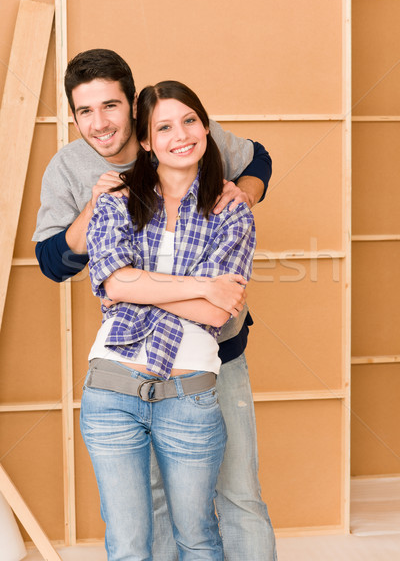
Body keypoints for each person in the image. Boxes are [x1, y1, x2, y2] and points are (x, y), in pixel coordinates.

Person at [32, 49, 277, 561]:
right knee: (153, 507)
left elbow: (258, 159)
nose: (100, 123)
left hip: (213, 360)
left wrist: (242, 196)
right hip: (126, 365)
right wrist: (95, 212)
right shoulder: (81, 174)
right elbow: (62, 264)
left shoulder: (183, 134)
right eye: (85, 111)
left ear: (133, 108)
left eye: (111, 106)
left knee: (238, 495)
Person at [82, 79, 256, 560]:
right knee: (128, 546)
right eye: (163, 126)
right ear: (145, 140)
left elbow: (218, 313)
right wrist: (201, 283)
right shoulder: (116, 200)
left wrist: (140, 285)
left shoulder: (232, 211)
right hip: (111, 392)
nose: (180, 134)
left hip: (190, 397)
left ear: (204, 127)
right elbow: (115, 283)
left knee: (198, 539)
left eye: (189, 121)